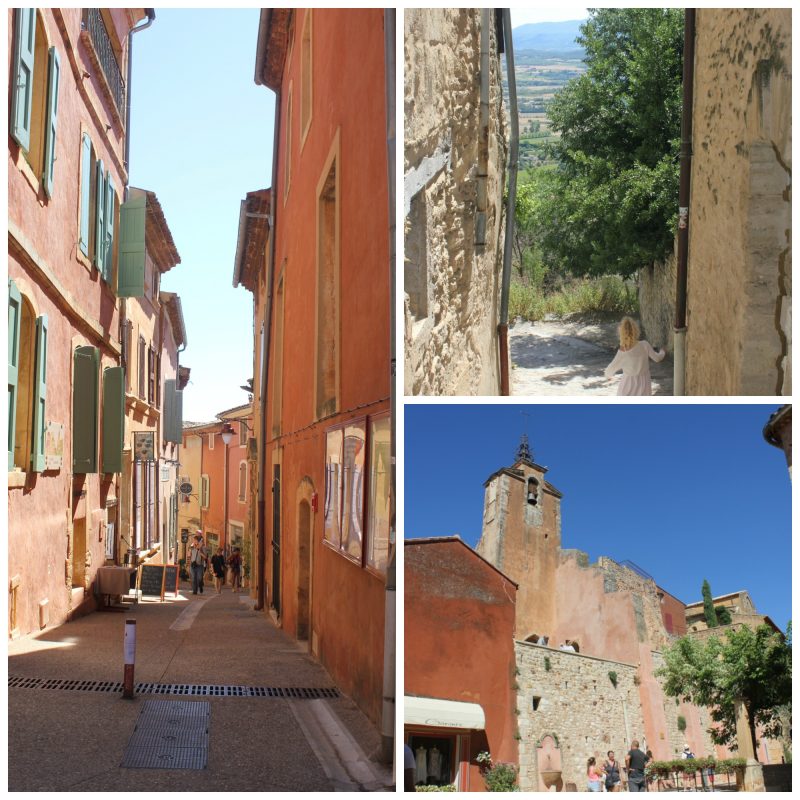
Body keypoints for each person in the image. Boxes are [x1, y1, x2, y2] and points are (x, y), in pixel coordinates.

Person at [604, 317, 665, 396]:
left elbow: (610, 369)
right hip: (644, 385)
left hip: (627, 386)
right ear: (635, 330)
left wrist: (608, 376)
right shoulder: (644, 345)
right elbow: (657, 358)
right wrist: (662, 352)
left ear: (622, 333)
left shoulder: (623, 352)